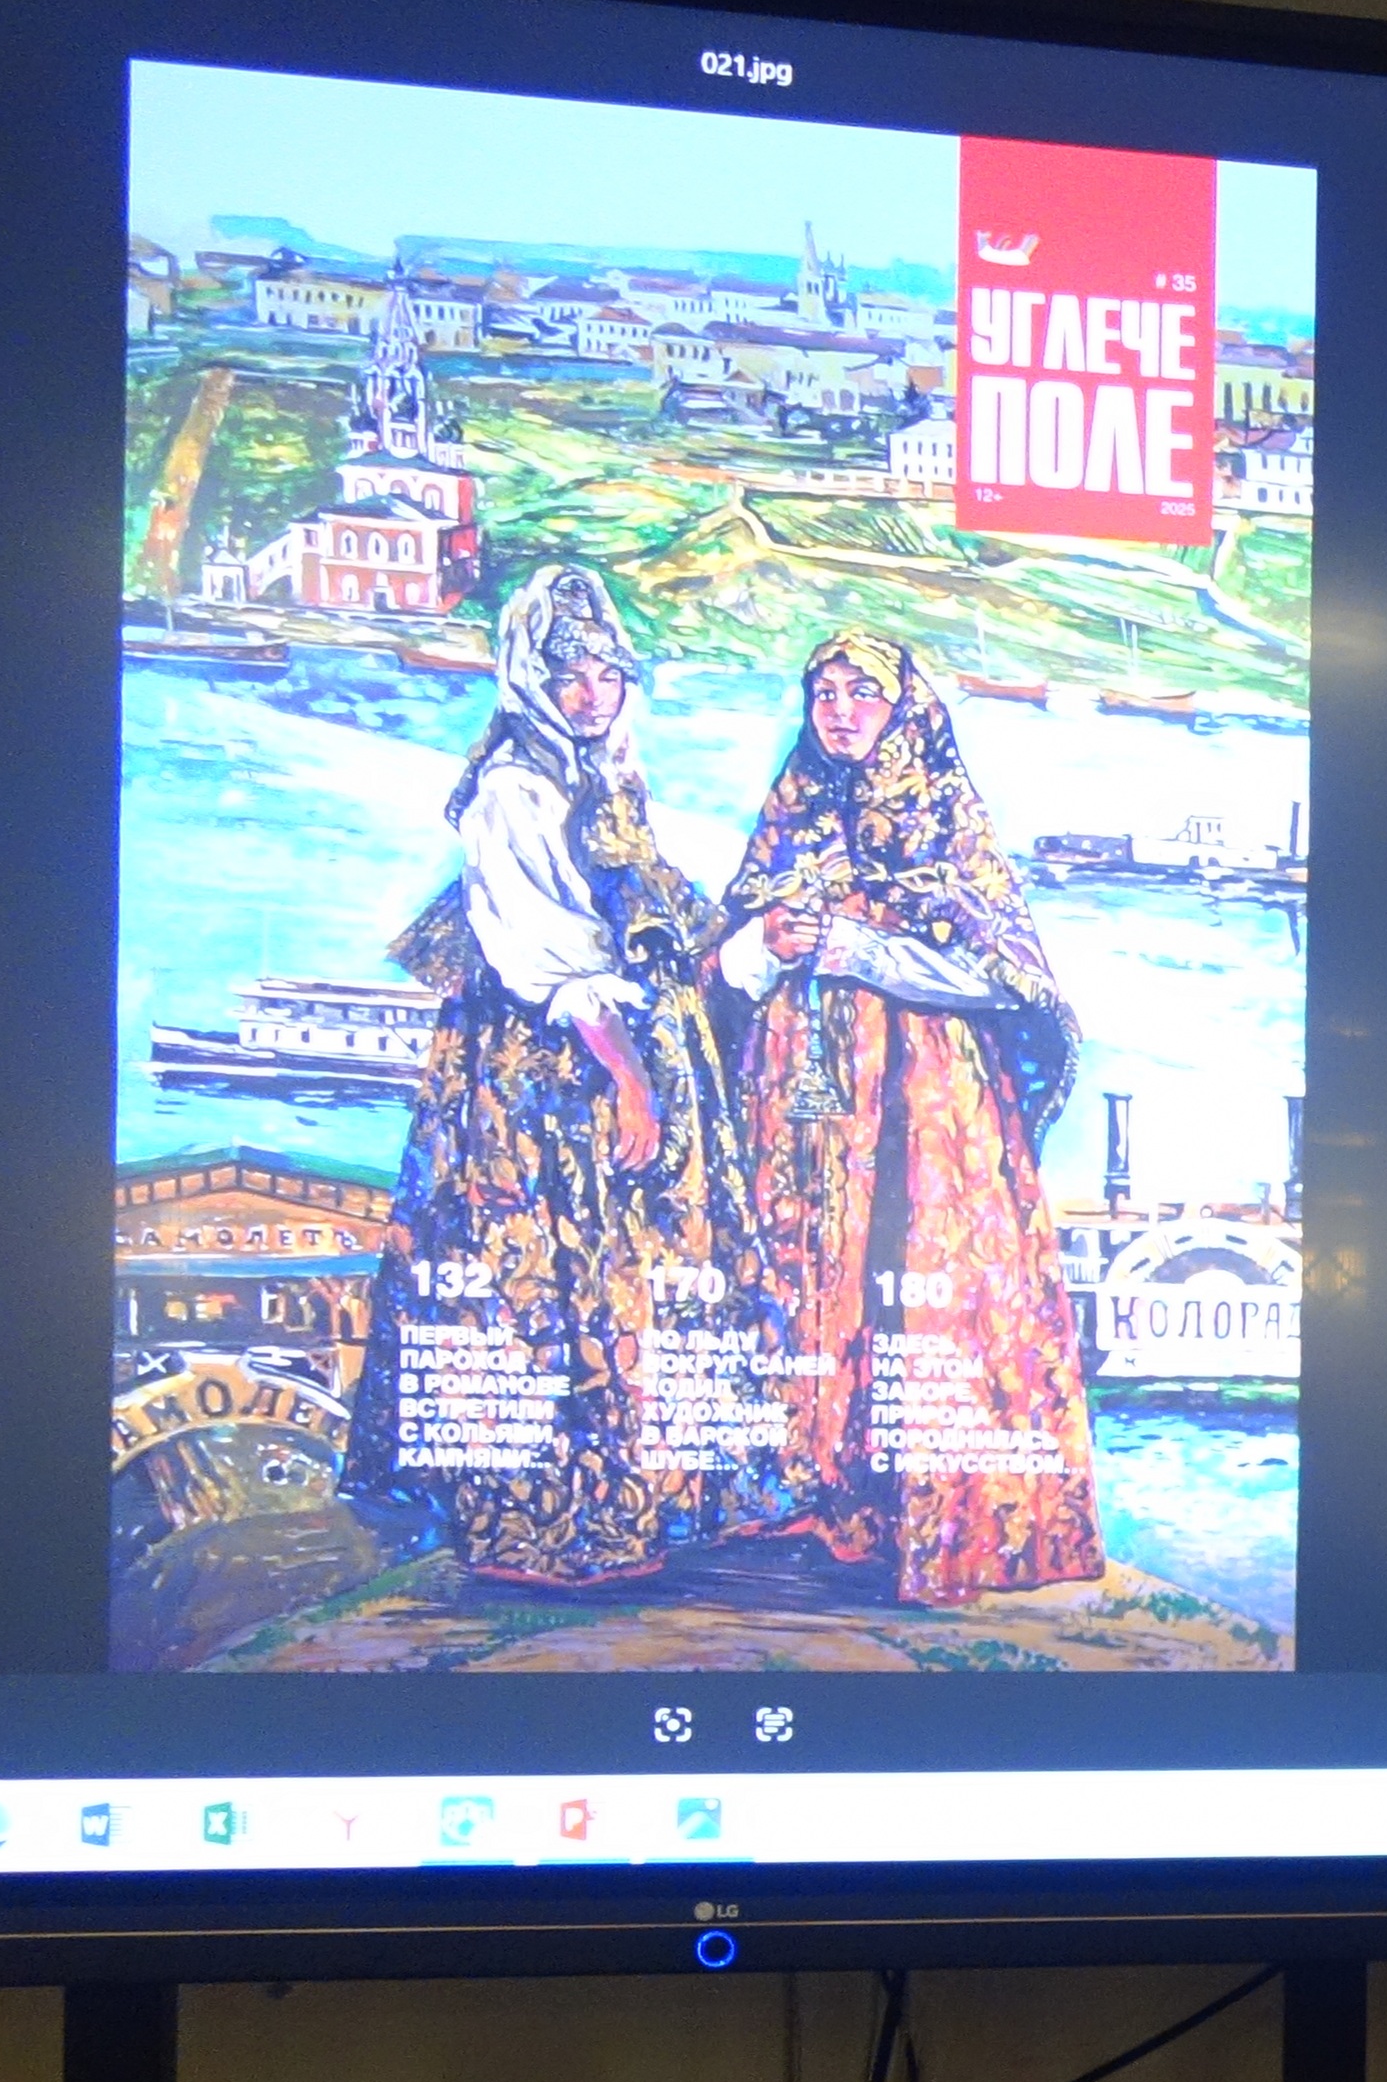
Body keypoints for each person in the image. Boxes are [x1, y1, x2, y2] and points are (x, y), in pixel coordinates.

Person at [354, 563, 782, 1584]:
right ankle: (551, 1528)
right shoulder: (515, 788)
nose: (593, 693)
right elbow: (546, 959)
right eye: (570, 674)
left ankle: (649, 1504)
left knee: (632, 1275)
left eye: (608, 673)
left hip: (616, 1053)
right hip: (551, 1082)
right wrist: (630, 1080)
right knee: (550, 1278)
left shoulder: (605, 773)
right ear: (530, 678)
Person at [718, 628, 1104, 1605]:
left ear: (903, 711)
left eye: (864, 693)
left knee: (919, 1278)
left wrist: (861, 950)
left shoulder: (944, 820)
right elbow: (724, 959)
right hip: (805, 1104)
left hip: (925, 1102)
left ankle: (928, 1520)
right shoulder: (792, 815)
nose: (841, 711)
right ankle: (814, 1497)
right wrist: (763, 941)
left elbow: (1003, 974)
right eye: (825, 692)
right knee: (810, 1280)